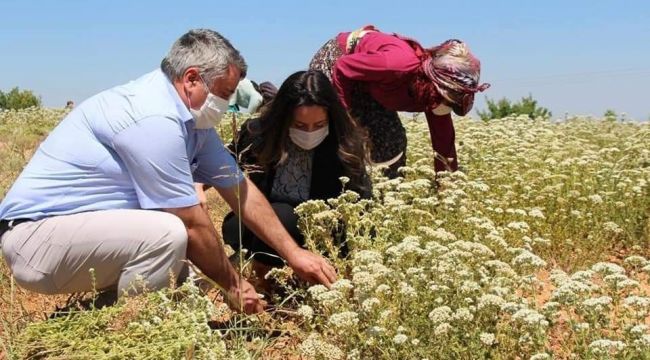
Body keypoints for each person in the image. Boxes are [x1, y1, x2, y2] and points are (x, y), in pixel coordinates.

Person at [0, 29, 336, 315]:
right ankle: (122, 327)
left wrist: (294, 254)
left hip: (75, 234)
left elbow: (238, 188)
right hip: (35, 239)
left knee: (187, 278)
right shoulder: (153, 118)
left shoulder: (193, 124)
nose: (227, 104)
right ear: (191, 78)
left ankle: (96, 318)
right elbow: (190, 222)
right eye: (223, 94)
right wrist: (234, 286)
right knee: (169, 234)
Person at [220, 70, 370, 281]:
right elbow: (220, 164)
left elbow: (362, 202)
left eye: (319, 126)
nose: (309, 133)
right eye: (299, 125)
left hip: (319, 225)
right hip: (265, 223)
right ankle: (263, 275)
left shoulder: (344, 143)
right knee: (282, 215)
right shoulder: (259, 134)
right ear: (284, 118)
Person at [309, 25, 490, 177]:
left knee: (392, 140)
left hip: (373, 84)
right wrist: (346, 121)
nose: (447, 107)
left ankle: (384, 195)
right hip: (338, 63)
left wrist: (446, 186)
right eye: (449, 101)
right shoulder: (397, 65)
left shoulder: (434, 97)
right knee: (342, 142)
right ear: (435, 86)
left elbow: (444, 142)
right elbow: (343, 68)